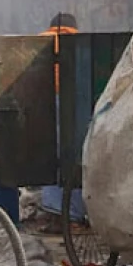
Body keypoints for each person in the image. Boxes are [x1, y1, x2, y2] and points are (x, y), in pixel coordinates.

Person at [38, 12, 84, 231]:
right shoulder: (82, 42)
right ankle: (75, 216)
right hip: (75, 102)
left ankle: (56, 215)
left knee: (51, 157)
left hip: (45, 101)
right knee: (74, 156)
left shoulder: (41, 41)